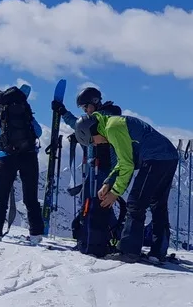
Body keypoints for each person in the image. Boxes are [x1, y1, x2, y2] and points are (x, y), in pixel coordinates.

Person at [74, 110, 178, 262]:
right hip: (168, 156)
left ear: (92, 130)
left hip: (154, 157)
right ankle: (158, 252)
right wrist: (108, 183)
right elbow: (124, 161)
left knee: (135, 204)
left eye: (92, 140)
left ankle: (129, 252)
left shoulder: (112, 128)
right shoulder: (111, 124)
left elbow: (127, 165)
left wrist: (115, 192)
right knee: (158, 204)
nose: (95, 144)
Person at [0, 85, 44, 242]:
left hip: (7, 156)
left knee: (0, 197)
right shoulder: (22, 106)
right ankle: (36, 234)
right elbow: (38, 131)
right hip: (29, 155)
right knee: (31, 197)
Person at [54, 87, 122, 192]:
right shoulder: (98, 118)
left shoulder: (106, 117)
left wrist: (64, 113)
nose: (85, 111)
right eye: (83, 108)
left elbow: (82, 127)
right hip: (96, 166)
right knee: (92, 201)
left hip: (104, 167)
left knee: (96, 201)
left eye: (85, 107)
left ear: (95, 102)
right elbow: (82, 127)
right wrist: (64, 113)